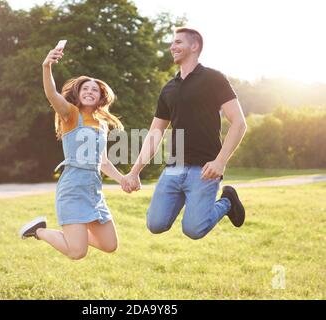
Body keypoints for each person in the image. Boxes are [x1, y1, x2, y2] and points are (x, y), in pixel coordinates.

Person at [122, 27, 247, 239]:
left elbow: (239, 123)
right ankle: (211, 203)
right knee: (155, 224)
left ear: (194, 46)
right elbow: (155, 133)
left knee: (193, 230)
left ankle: (227, 201)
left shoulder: (213, 78)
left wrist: (220, 161)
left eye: (178, 42)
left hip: (204, 168)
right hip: (173, 167)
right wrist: (134, 171)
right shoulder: (169, 88)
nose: (172, 47)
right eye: (173, 43)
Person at [19, 44, 127, 260]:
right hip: (73, 187)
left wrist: (122, 179)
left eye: (94, 89)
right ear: (78, 93)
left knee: (110, 244)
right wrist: (47, 66)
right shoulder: (71, 114)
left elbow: (103, 162)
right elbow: (51, 94)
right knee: (77, 252)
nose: (89, 91)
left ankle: (74, 234)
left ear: (101, 96)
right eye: (85, 88)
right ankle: (38, 230)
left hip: (94, 190)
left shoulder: (102, 124)